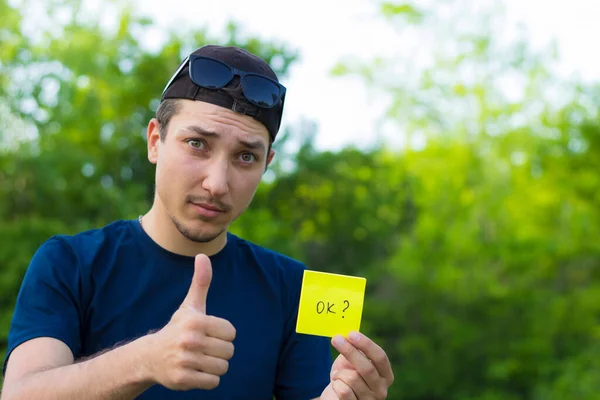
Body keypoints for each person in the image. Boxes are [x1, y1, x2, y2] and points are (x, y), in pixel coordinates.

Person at [1, 45, 394, 400]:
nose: (217, 184)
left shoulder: (301, 287)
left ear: (267, 164)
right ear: (155, 141)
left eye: (245, 157)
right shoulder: (67, 261)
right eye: (197, 144)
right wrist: (146, 360)